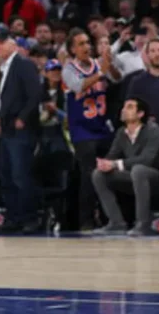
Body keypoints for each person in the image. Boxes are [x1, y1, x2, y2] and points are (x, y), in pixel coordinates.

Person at [0, 24, 43, 234]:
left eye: (2, 43)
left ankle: (30, 218)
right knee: (7, 175)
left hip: (21, 130)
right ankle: (13, 218)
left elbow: (34, 94)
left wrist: (23, 118)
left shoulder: (23, 64)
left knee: (21, 175)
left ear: (12, 44)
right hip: (7, 129)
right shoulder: (5, 68)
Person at [91, 97, 159, 236]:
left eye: (129, 107)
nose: (123, 110)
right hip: (133, 177)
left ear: (140, 114)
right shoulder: (122, 132)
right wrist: (104, 163)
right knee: (98, 174)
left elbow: (147, 159)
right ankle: (116, 223)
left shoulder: (153, 129)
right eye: (123, 107)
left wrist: (115, 164)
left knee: (139, 170)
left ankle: (142, 224)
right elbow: (112, 156)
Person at [62, 28, 114, 231]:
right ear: (73, 49)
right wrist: (102, 71)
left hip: (102, 127)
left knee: (109, 173)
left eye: (87, 43)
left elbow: (116, 78)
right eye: (81, 44)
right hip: (82, 130)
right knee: (89, 174)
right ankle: (86, 220)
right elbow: (78, 86)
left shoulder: (98, 63)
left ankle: (108, 217)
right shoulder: (69, 69)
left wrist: (110, 63)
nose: (87, 47)